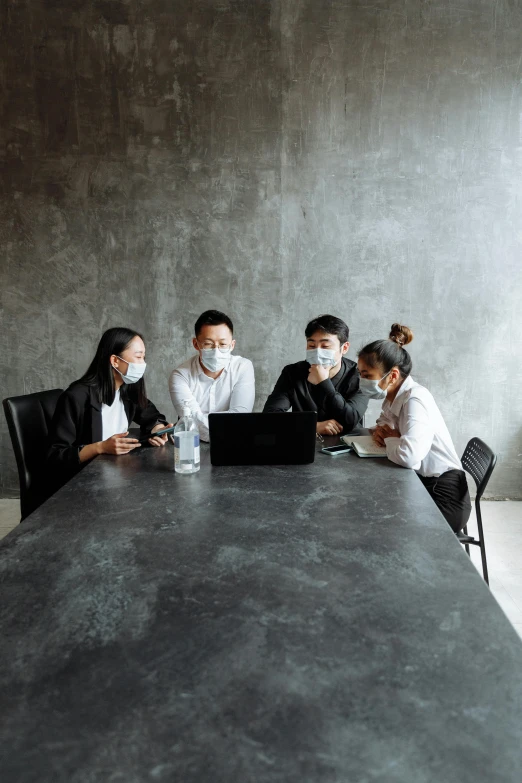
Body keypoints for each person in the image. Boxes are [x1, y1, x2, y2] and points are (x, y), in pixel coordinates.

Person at [357, 323, 471, 533]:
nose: (361, 381)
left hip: (444, 496)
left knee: (380, 524)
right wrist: (390, 435)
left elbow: (409, 456)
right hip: (422, 482)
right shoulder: (394, 396)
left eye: (367, 375)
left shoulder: (415, 399)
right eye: (360, 374)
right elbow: (384, 424)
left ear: (392, 376)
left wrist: (392, 438)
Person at [48, 327, 172, 489]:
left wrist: (158, 428)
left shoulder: (126, 390)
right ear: (115, 361)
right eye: (138, 357)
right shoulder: (77, 396)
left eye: (144, 357)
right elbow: (56, 455)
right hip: (82, 484)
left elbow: (150, 414)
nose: (143, 364)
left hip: (114, 476)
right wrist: (100, 447)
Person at [263, 314, 368, 435]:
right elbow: (270, 417)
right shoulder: (292, 372)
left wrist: (324, 382)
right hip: (303, 441)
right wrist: (312, 426)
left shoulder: (360, 375)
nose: (317, 352)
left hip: (348, 446)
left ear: (344, 348)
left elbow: (350, 420)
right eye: (312, 346)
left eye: (325, 346)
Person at [169, 310, 255, 441]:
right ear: (196, 344)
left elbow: (240, 417)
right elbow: (191, 421)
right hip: (191, 446)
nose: (216, 350)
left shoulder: (243, 367)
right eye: (208, 344)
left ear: (232, 345)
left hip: (232, 446)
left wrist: (200, 422)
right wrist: (229, 427)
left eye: (223, 344)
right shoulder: (180, 376)